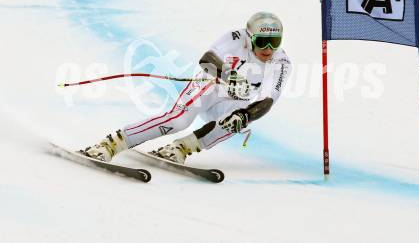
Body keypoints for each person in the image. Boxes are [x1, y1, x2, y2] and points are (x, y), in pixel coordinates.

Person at [81, 12, 292, 164]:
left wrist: (245, 115)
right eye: (263, 41)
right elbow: (207, 60)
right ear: (250, 37)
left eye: (275, 41)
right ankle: (111, 144)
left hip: (234, 100)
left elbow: (266, 101)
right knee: (178, 120)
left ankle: (182, 148)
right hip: (210, 85)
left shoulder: (281, 63)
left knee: (236, 121)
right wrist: (231, 77)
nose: (268, 49)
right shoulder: (235, 38)